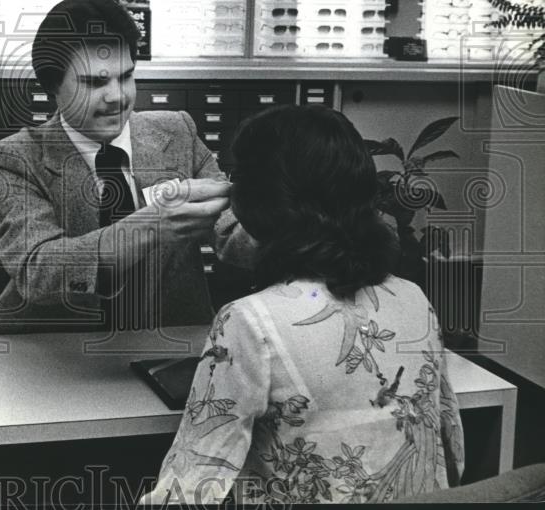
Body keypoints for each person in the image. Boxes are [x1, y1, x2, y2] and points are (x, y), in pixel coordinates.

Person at [143, 105, 465, 505]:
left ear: (259, 203)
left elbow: (190, 487)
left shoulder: (250, 321)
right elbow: (451, 449)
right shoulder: (413, 299)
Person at [0, 0, 254, 334]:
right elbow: (39, 272)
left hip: (167, 340)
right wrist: (151, 223)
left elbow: (234, 230)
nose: (116, 96)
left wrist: (315, 242)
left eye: (125, 77)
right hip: (55, 351)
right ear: (52, 87)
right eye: (94, 82)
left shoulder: (177, 131)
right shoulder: (14, 160)